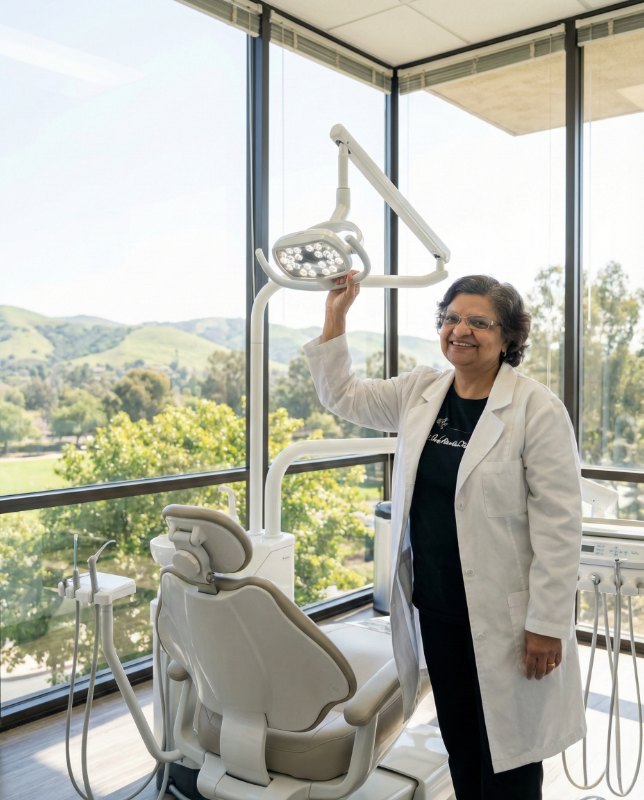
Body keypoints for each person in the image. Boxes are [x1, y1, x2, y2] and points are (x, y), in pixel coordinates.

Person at [303, 273, 586, 800]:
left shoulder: (535, 408)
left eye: (479, 322)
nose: (461, 330)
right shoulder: (420, 392)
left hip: (508, 618)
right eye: (452, 318)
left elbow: (560, 524)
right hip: (437, 609)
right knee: (461, 746)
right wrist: (336, 315)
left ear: (508, 337)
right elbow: (342, 395)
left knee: (510, 762)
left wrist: (547, 623)